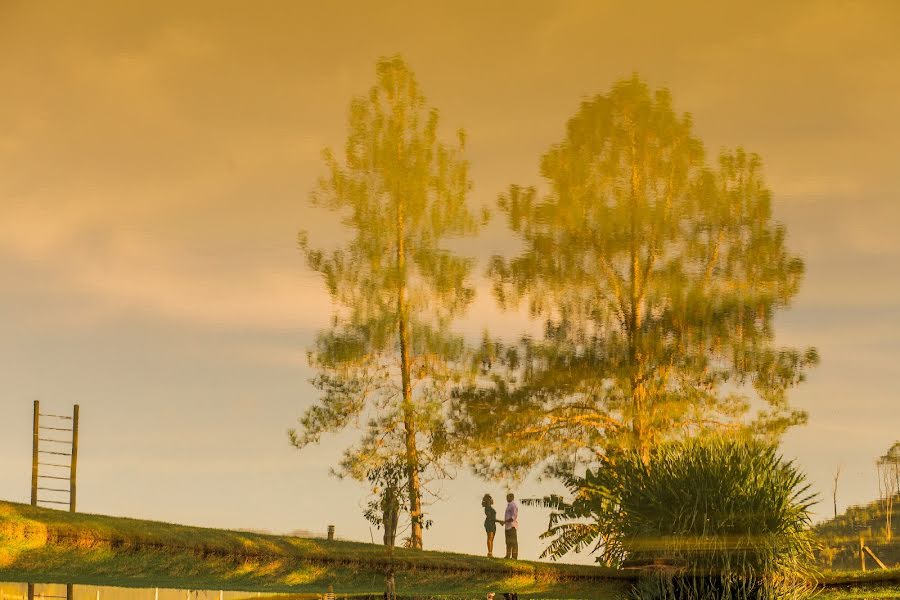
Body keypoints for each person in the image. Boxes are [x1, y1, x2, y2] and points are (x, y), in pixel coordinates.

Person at [503, 492, 519, 559]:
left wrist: (504, 522)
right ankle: (508, 555)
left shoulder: (513, 505)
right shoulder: (509, 505)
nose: (507, 498)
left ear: (512, 497)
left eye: (508, 497)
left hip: (512, 526)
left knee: (513, 542)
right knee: (508, 542)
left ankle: (514, 556)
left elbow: (513, 517)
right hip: (507, 526)